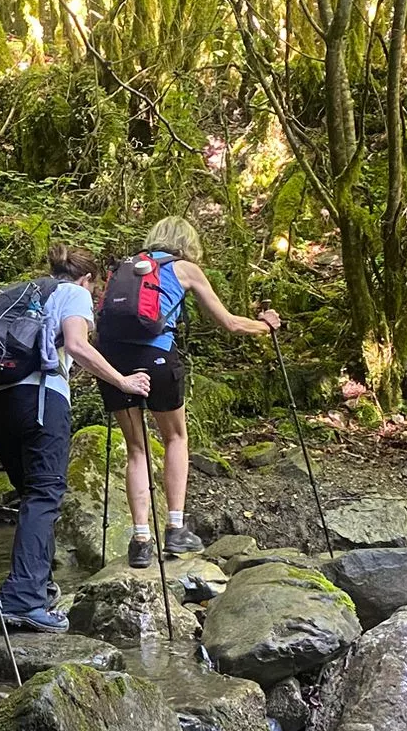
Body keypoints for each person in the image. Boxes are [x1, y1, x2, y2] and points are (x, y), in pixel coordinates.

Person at [0, 244, 152, 631]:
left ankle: (38, 588)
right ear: (87, 279)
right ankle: (22, 599)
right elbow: (75, 345)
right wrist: (122, 380)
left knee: (33, 497)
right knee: (45, 494)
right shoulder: (72, 294)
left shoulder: (17, 293)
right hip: (40, 399)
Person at [95, 215, 280, 566]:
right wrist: (265, 326)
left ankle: (140, 541)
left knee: (136, 448)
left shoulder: (127, 267)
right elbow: (229, 323)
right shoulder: (185, 269)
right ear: (186, 242)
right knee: (175, 438)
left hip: (112, 359)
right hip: (157, 356)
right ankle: (175, 529)